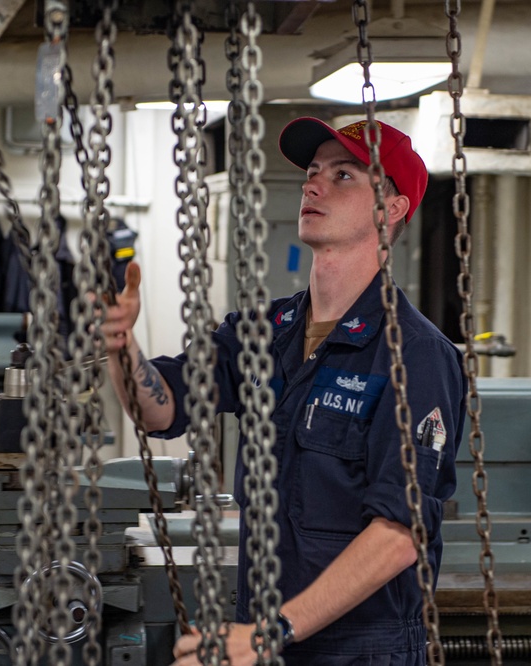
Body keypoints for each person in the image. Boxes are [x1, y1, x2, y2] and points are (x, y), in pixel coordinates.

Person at [101, 117, 466, 665]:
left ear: (390, 210)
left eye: (344, 175)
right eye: (313, 172)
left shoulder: (414, 354)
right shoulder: (266, 332)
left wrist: (273, 632)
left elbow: (398, 534)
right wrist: (120, 343)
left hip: (359, 650)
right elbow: (162, 408)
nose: (314, 185)